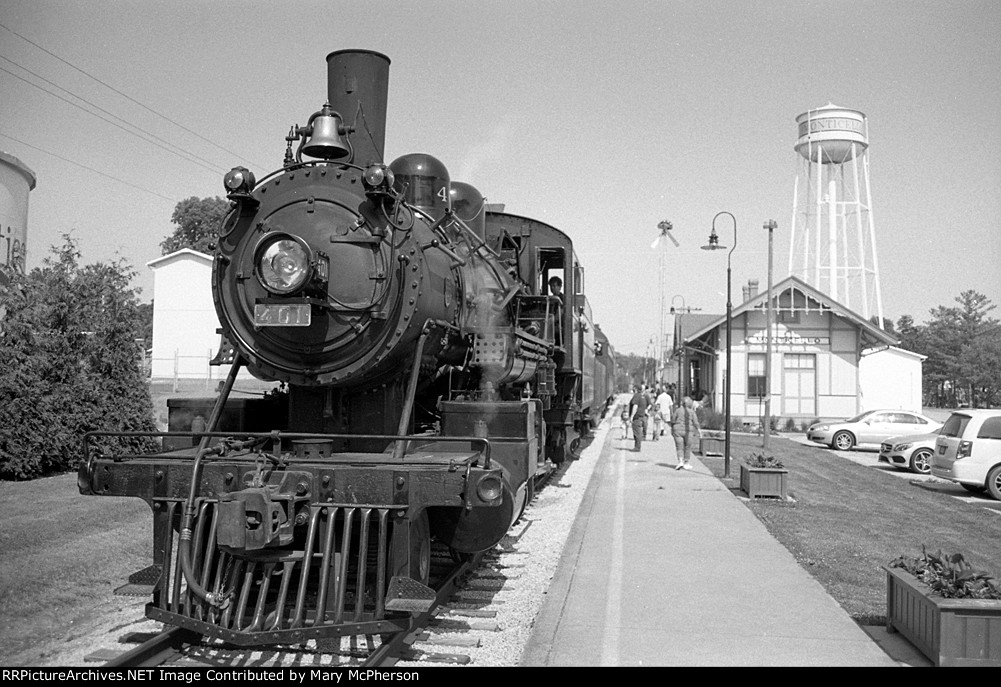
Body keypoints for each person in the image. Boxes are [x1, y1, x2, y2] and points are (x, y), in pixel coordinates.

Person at [671, 395, 702, 470]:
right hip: (688, 431)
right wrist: (699, 431)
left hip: (678, 430)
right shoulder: (691, 412)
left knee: (679, 447)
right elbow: (695, 422)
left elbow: (673, 419)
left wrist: (672, 428)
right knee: (687, 447)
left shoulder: (678, 410)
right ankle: (686, 462)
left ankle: (680, 461)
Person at [628, 384, 650, 451]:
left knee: (637, 433)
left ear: (636, 389)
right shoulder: (642, 396)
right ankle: (637, 446)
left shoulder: (637, 396)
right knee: (638, 432)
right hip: (641, 416)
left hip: (637, 417)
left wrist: (631, 416)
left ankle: (637, 447)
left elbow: (635, 406)